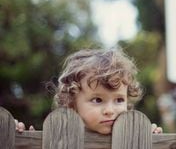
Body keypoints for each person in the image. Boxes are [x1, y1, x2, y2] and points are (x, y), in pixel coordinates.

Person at [15, 47, 162, 134]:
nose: (110, 110)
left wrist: (151, 144)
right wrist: (27, 148)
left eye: (119, 100)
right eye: (97, 100)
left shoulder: (133, 139)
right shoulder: (59, 140)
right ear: (72, 104)